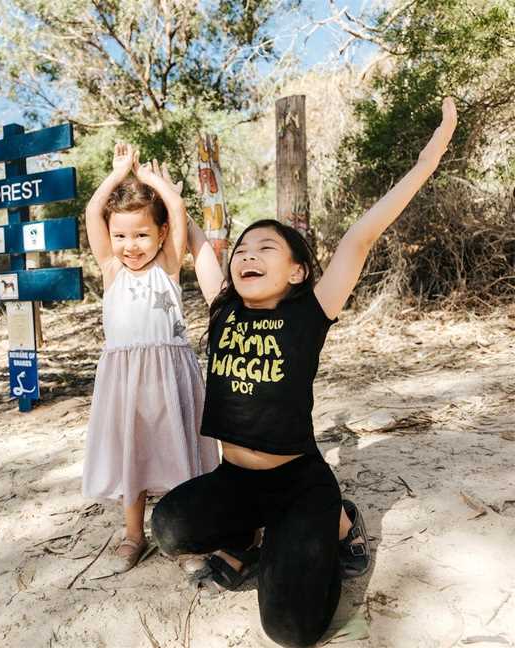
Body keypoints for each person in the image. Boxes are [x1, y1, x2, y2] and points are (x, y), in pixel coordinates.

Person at [151, 98, 457, 647]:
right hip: (236, 481)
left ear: (296, 269)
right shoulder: (223, 307)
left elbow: (360, 237)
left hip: (298, 481)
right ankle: (246, 542)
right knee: (170, 529)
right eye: (242, 248)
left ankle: (340, 522)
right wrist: (168, 194)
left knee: (291, 629)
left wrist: (426, 162)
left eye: (265, 247)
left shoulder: (310, 312)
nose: (247, 253)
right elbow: (197, 241)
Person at [82, 142, 220, 573]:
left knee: (178, 454)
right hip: (125, 380)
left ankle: (188, 540)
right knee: (133, 456)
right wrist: (120, 173)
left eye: (141, 234)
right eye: (120, 235)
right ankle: (133, 535)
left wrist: (150, 180)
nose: (130, 245)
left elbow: (176, 209)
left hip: (169, 375)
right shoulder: (111, 271)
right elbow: (92, 212)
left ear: (161, 235)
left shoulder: (169, 267)